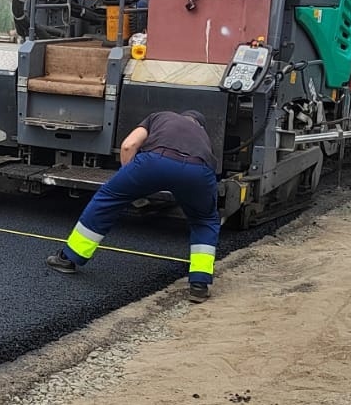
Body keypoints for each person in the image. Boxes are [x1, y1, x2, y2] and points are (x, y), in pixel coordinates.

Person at [45, 109, 221, 303]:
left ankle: (68, 258)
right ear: (199, 124)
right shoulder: (202, 135)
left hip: (155, 162)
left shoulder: (159, 116)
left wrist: (128, 184)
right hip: (199, 172)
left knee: (108, 199)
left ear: (181, 115)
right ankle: (199, 284)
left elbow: (129, 145)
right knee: (204, 220)